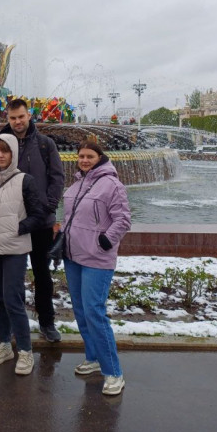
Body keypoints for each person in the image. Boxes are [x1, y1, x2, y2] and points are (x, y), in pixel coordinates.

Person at [61, 140, 131, 396]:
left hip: (97, 258)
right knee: (81, 310)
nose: (84, 160)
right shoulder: (78, 183)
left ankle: (113, 372)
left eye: (89, 156)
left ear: (100, 158)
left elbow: (123, 219)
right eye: (81, 156)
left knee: (94, 312)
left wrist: (106, 240)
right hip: (73, 256)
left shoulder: (111, 184)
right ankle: (93, 357)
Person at [0, 134, 45, 375]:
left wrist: (17, 228)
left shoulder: (25, 180)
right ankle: (4, 343)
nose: (1, 155)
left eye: (5, 151)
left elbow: (38, 214)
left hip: (14, 248)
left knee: (12, 299)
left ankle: (25, 350)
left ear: (13, 153)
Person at [0, 98, 65, 341]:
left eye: (21, 117)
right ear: (8, 118)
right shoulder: (1, 144)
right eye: (13, 118)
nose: (17, 121)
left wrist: (47, 208)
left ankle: (47, 322)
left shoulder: (45, 144)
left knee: (42, 274)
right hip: (12, 221)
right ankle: (12, 324)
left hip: (41, 222)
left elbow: (57, 178)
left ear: (29, 116)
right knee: (12, 277)